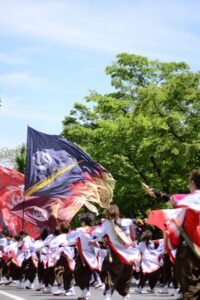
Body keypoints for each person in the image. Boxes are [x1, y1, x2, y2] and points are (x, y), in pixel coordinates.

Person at [145, 169, 200, 300]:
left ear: (193, 183)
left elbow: (172, 199)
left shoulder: (191, 199)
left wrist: (157, 193)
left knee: (190, 282)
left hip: (191, 247)